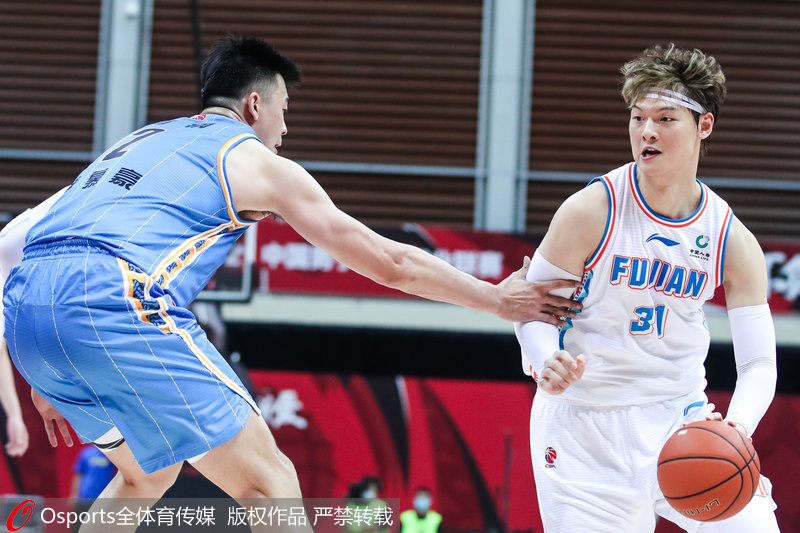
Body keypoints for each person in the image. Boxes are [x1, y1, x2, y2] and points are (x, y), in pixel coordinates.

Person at [2, 34, 579, 518]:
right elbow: (390, 262)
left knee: (144, 476)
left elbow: (22, 239)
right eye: (283, 111)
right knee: (271, 485)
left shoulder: (137, 143)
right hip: (112, 301)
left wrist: (48, 348)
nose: (283, 129)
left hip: (28, 313)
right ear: (254, 105)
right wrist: (496, 300)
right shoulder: (254, 160)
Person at [514, 44, 780, 532]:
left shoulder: (731, 238)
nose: (646, 131)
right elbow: (532, 308)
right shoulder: (590, 210)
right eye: (637, 118)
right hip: (583, 424)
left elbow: (759, 363)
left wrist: (735, 429)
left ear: (703, 126)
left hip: (679, 417)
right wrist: (544, 358)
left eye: (664, 118)